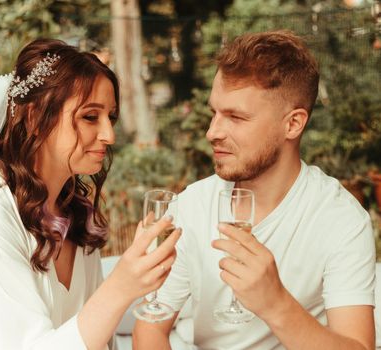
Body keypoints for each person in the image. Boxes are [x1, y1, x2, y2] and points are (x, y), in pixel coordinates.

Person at [0, 38, 181, 350]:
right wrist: (121, 287)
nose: (109, 135)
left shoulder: (78, 214)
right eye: (90, 117)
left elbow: (98, 339)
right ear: (34, 119)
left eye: (110, 117)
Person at [133, 30, 375, 350]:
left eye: (236, 117)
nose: (212, 132)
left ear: (293, 124)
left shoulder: (340, 218)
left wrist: (275, 303)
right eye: (214, 113)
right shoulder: (192, 206)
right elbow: (149, 329)